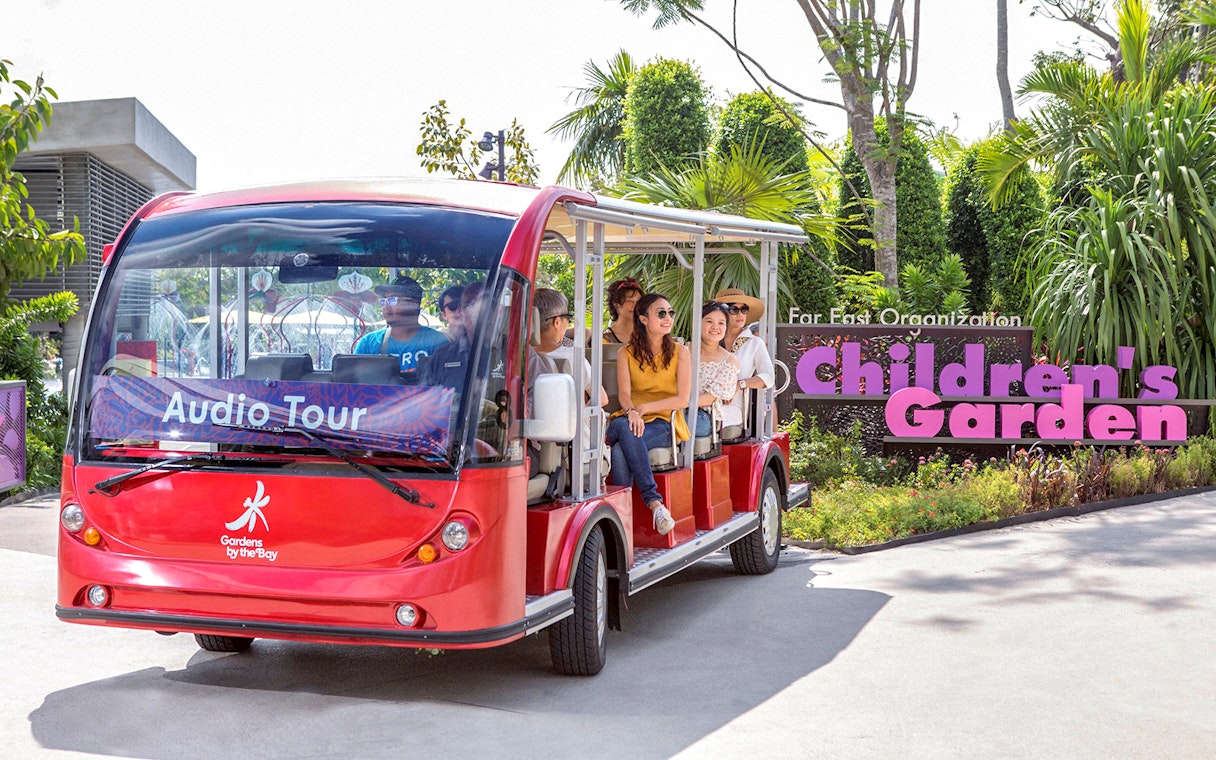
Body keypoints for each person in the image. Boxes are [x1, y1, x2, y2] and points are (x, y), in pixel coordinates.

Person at [605, 293, 690, 536]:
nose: (668, 318)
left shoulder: (679, 352)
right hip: (629, 417)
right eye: (661, 313)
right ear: (643, 319)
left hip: (663, 421)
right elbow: (624, 394)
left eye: (670, 312)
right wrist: (632, 411)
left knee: (620, 449)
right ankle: (654, 503)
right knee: (623, 426)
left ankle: (627, 518)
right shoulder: (626, 353)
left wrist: (642, 410)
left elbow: (681, 399)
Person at [353, 274, 448, 373]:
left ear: (414, 305)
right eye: (384, 300)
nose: (386, 306)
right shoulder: (368, 343)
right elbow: (351, 383)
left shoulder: (438, 343)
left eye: (392, 300)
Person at [714, 287, 774, 432]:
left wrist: (738, 385)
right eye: (734, 309)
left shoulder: (754, 343)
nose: (740, 314)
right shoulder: (708, 341)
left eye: (744, 309)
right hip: (703, 408)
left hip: (731, 412)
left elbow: (768, 377)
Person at [421, 280, 484, 389]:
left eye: (483, 305)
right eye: (453, 306)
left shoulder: (510, 351)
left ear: (499, 310)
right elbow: (424, 399)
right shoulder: (440, 355)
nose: (475, 311)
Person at [695, 302, 740, 437]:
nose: (715, 327)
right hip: (672, 410)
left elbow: (708, 398)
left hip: (704, 416)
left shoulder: (729, 361)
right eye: (709, 321)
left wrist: (675, 404)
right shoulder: (682, 351)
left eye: (721, 323)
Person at [602, 277, 643, 344]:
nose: (635, 305)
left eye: (638, 301)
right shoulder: (605, 339)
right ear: (616, 305)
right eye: (629, 301)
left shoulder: (648, 336)